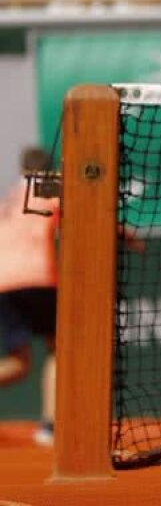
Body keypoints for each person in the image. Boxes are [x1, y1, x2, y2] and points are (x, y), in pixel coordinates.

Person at [0, 147, 59, 447]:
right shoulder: (49, 187)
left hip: (3, 281)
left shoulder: (12, 195)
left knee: (17, 363)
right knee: (58, 350)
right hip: (36, 277)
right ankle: (50, 427)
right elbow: (91, 209)